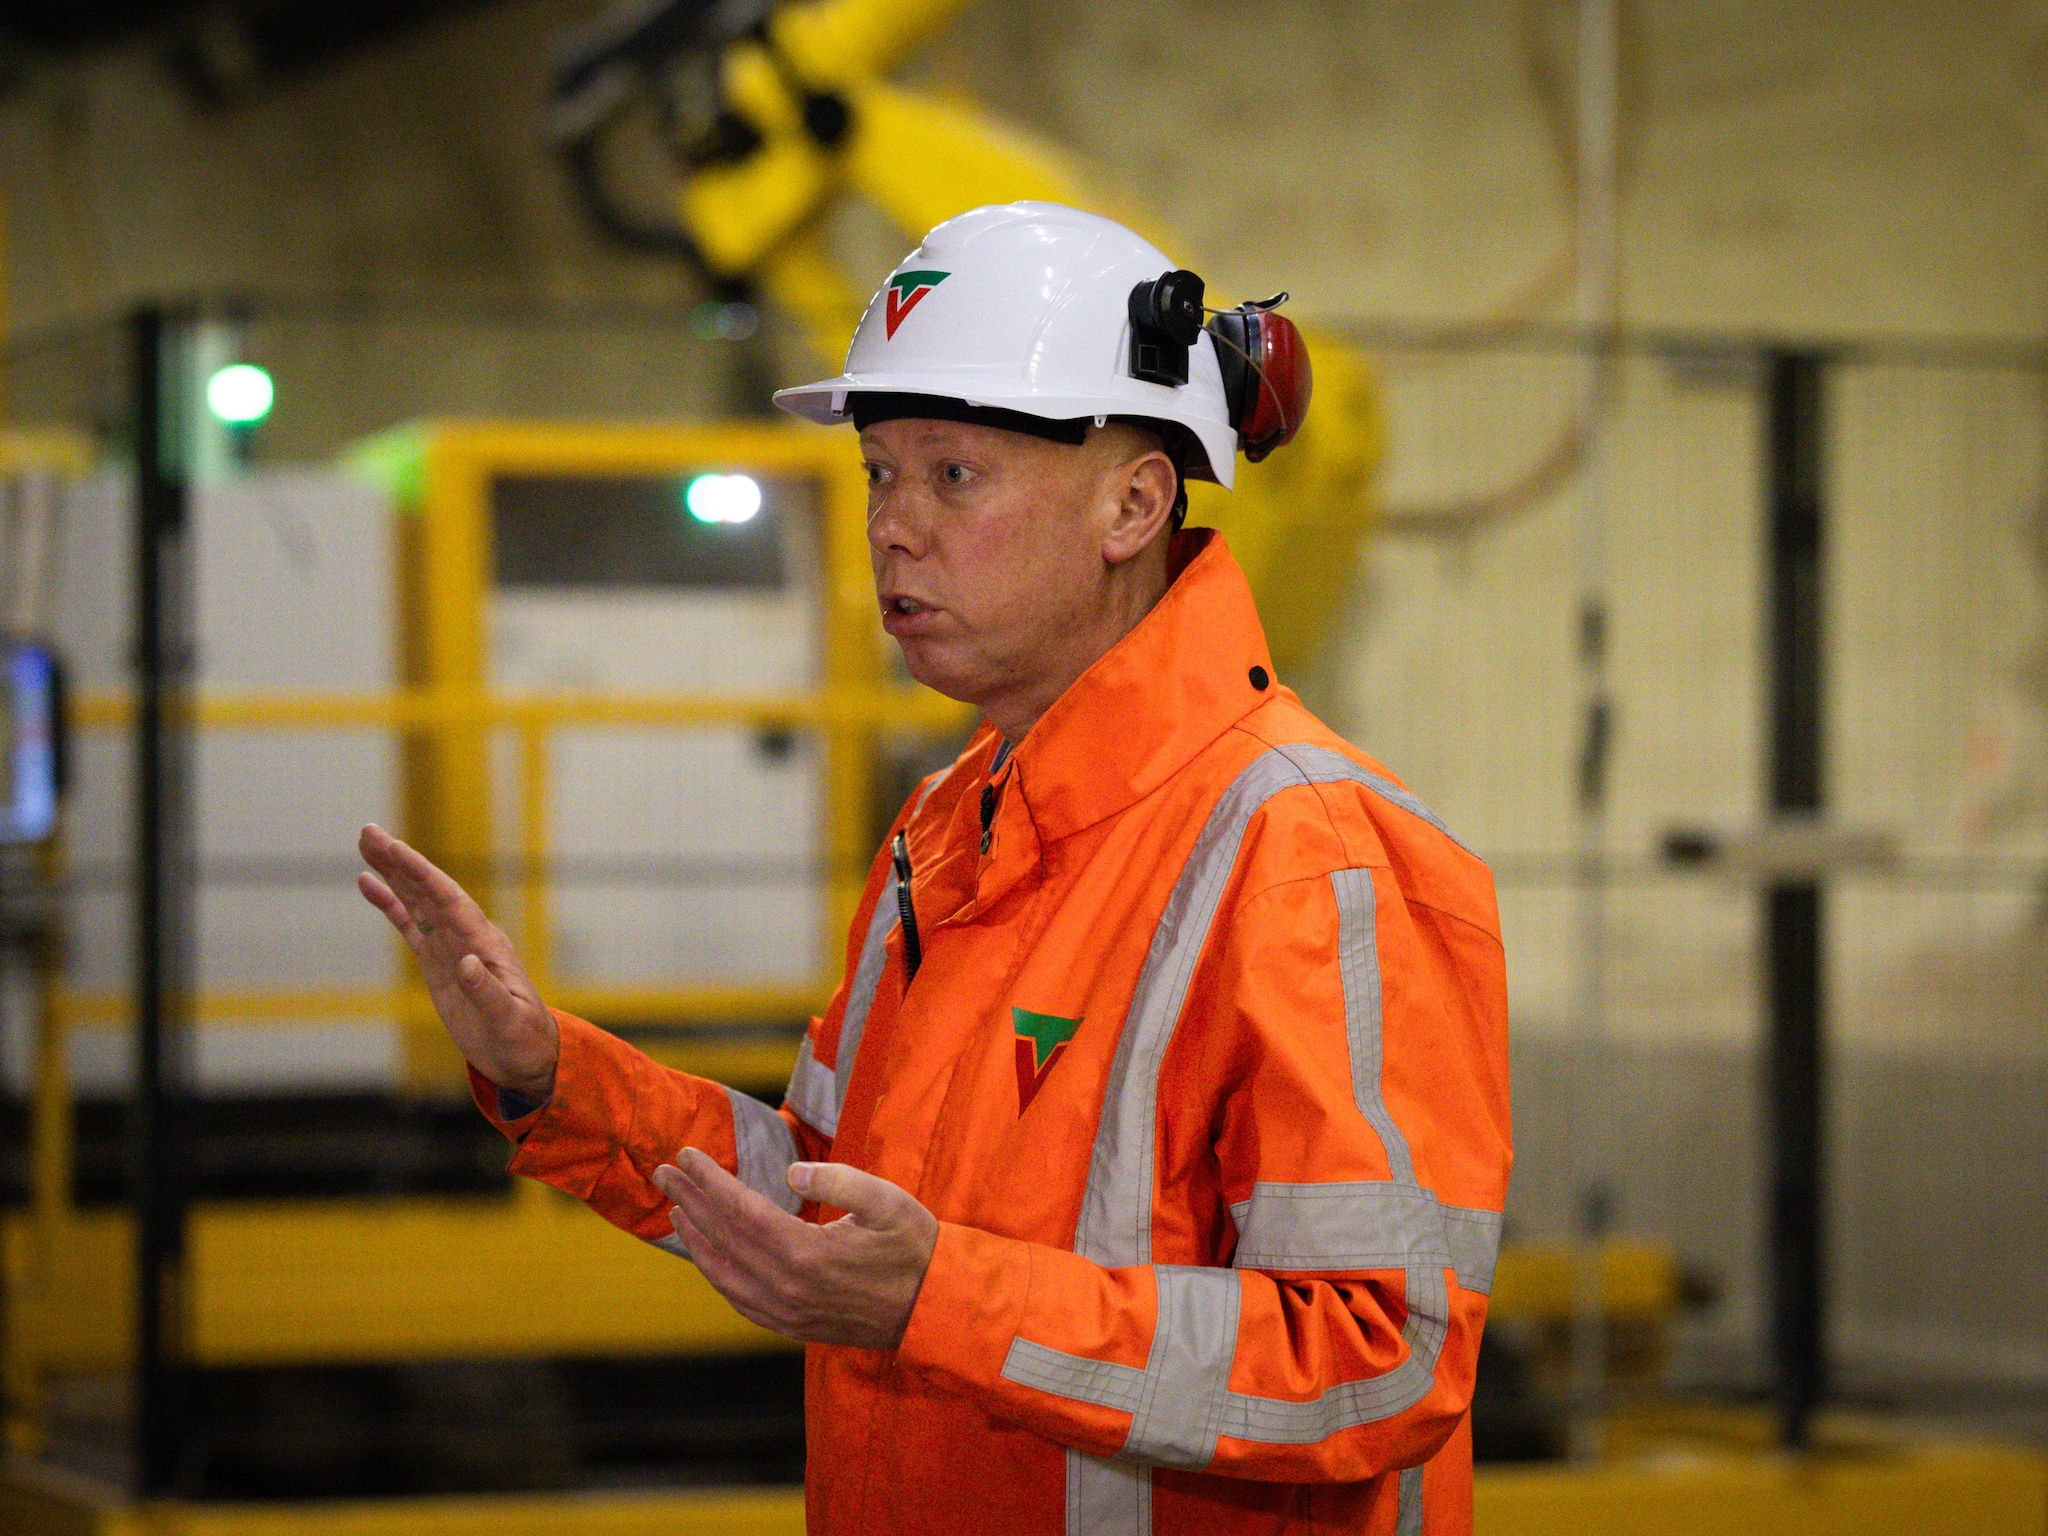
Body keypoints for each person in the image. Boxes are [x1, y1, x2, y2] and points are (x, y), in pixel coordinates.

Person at [357, 202, 1510, 1536]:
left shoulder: (1313, 856)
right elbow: (826, 1189)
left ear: (1133, 503)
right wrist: (552, 1074)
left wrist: (938, 1302)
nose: (893, 529)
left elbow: (1383, 1356)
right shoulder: (951, 823)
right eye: (879, 474)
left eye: (953, 475)